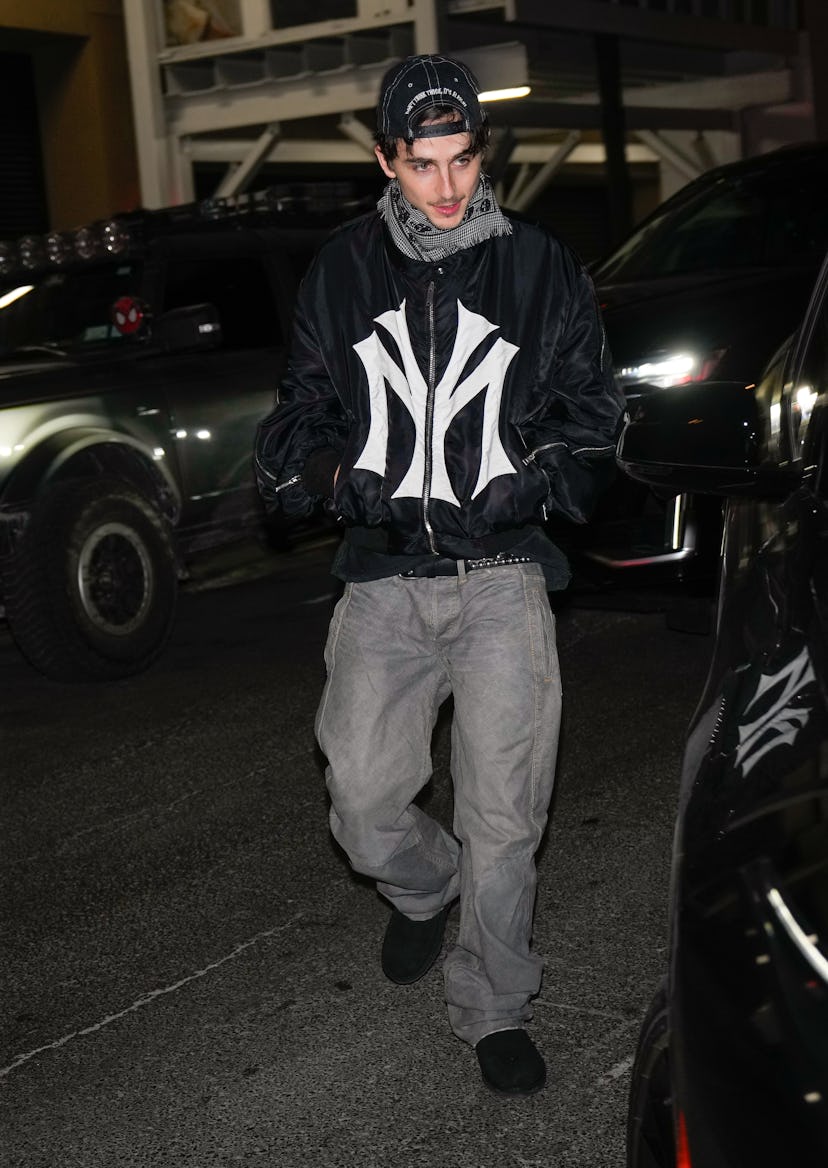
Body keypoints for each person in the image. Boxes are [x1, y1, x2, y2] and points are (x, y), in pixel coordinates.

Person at [255, 53, 625, 1096]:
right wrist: (343, 478)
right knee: (365, 802)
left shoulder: (541, 266)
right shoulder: (342, 272)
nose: (450, 187)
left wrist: (529, 484)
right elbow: (293, 426)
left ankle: (494, 1001)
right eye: (425, 165)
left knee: (507, 817)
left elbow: (594, 423)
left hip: (503, 576)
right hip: (382, 580)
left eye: (465, 160)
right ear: (386, 160)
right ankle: (425, 890)